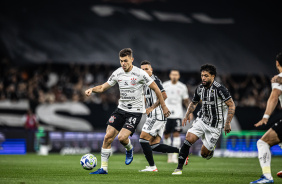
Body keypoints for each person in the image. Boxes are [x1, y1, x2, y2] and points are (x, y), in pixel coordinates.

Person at [85, 48, 170, 174]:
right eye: (121, 61)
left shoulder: (140, 73)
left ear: (132, 60)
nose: (123, 64)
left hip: (135, 112)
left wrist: (163, 106)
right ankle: (103, 168)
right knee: (108, 137)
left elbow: (157, 89)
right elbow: (103, 87)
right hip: (120, 110)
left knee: (122, 138)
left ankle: (129, 149)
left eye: (125, 61)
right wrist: (92, 89)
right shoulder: (118, 73)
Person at [172, 64, 236, 175]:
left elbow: (231, 105)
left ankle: (210, 149)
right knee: (188, 139)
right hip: (202, 120)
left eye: (206, 76)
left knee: (204, 154)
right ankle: (178, 168)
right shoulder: (200, 88)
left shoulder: (220, 89)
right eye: (202, 75)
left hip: (215, 126)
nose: (203, 78)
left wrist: (228, 123)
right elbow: (194, 102)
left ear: (213, 76)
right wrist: (187, 114)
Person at [139, 60, 179, 172]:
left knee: (143, 139)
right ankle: (181, 151)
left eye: (146, 69)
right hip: (157, 116)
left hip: (156, 115)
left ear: (151, 69)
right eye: (142, 70)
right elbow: (147, 97)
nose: (144, 71)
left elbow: (164, 95)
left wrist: (152, 107)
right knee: (154, 145)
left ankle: (152, 167)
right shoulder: (144, 81)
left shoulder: (154, 80)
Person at [250, 51, 282, 184]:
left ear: (277, 63)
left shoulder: (278, 78)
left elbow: (274, 97)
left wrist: (266, 116)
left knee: (262, 142)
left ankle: (267, 177)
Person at [162, 70, 192, 163]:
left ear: (178, 76)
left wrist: (189, 111)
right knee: (166, 135)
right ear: (170, 75)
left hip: (177, 114)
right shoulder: (165, 85)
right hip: (166, 114)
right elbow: (160, 98)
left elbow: (186, 100)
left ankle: (174, 156)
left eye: (176, 75)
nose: (174, 76)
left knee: (176, 134)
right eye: (173, 74)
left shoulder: (182, 87)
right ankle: (169, 155)